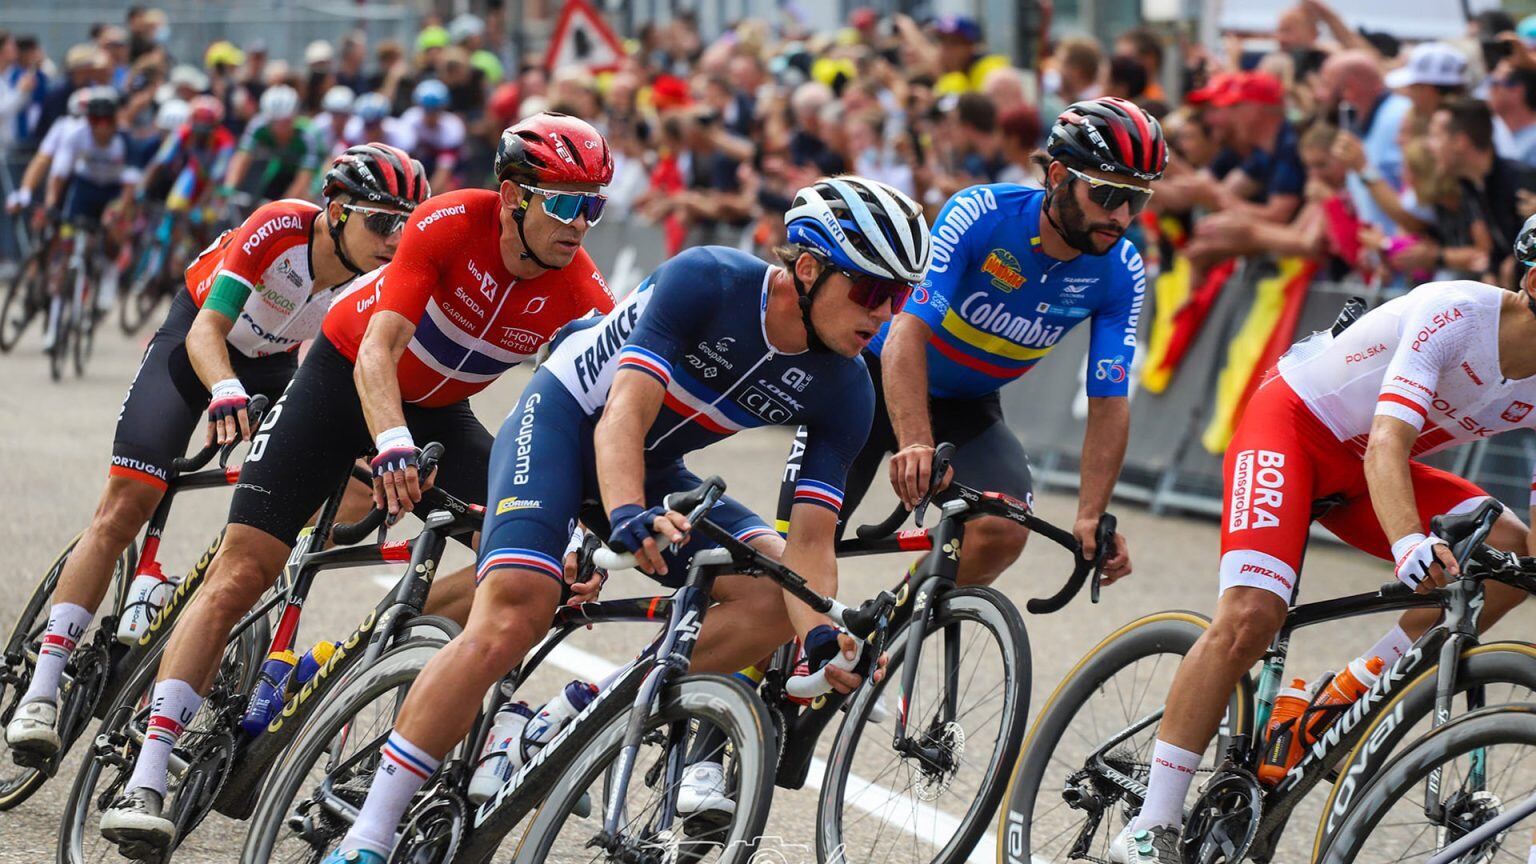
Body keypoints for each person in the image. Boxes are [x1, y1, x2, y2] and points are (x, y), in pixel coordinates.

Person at [323, 175, 929, 863]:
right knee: (516, 610)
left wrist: (821, 634)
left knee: (769, 593)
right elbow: (624, 414)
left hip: (653, 468)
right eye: (874, 291)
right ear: (811, 269)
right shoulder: (710, 280)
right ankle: (368, 836)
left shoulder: (848, 387)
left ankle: (590, 703)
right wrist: (625, 515)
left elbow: (811, 543)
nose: (886, 313)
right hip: (565, 425)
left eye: (901, 296)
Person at [98, 115, 615, 856]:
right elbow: (380, 349)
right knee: (244, 568)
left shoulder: (580, 290)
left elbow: (598, 414)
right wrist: (392, 442)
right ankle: (147, 772)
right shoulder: (447, 223)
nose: (580, 224)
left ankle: (368, 647)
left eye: (592, 205)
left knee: (530, 566)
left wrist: (593, 530)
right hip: (342, 381)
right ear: (512, 196)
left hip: (443, 409)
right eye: (565, 203)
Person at [1107, 218, 1536, 864]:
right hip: (1295, 429)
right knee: (1252, 616)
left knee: (1511, 551)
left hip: (1369, 467)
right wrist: (1408, 543)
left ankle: (1349, 689)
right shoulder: (1456, 314)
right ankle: (1151, 823)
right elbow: (1389, 438)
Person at [6, 144, 430, 762]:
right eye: (381, 221)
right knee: (128, 504)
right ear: (336, 210)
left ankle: (196, 616)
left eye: (407, 224)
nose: (396, 238)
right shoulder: (279, 227)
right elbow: (209, 331)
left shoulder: (382, 275)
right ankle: (42, 685)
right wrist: (224, 388)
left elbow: (358, 370)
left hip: (275, 366)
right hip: (197, 344)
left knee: (325, 500)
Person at [786, 97, 1155, 591]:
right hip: (870, 383)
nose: (1123, 214)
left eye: (1139, 199)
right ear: (1058, 175)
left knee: (1003, 529)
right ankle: (746, 665)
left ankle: (885, 636)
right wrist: (915, 441)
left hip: (966, 406)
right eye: (1108, 195)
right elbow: (906, 332)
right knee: (795, 557)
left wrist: (1090, 514)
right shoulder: (981, 214)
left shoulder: (1121, 270)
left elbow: (1109, 399)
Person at [220, 84, 325, 202]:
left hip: (312, 174)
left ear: (294, 117)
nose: (279, 128)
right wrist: (230, 185)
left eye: (285, 122)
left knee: (304, 199)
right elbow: (242, 156)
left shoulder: (308, 135)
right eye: (274, 122)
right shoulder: (258, 125)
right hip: (280, 167)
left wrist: (282, 206)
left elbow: (304, 178)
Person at [400, 78, 465, 192]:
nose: (430, 115)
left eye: (435, 110)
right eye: (426, 110)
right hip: (420, 162)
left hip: (450, 170)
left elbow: (444, 172)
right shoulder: (409, 120)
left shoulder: (452, 127)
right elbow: (404, 160)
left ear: (443, 108)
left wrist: (427, 197)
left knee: (447, 190)